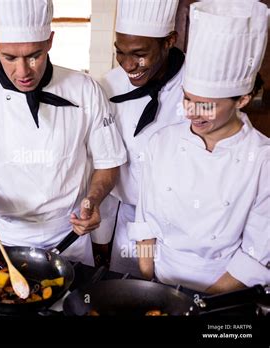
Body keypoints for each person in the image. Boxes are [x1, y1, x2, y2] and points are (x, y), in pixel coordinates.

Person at [0, 0, 127, 265]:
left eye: (34, 56)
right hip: (6, 241)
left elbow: (108, 163)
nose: (23, 72)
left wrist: (93, 200)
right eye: (10, 58)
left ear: (50, 41)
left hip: (70, 236)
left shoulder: (85, 90)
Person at [130, 0, 270, 293]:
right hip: (160, 283)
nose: (191, 112)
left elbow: (256, 255)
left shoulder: (262, 159)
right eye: (187, 98)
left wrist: (200, 305)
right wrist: (147, 281)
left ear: (241, 100)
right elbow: (145, 226)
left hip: (224, 294)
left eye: (205, 105)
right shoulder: (161, 141)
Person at [100, 0, 185, 276]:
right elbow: (104, 160)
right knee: (132, 298)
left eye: (139, 53)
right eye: (120, 52)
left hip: (183, 223)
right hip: (128, 222)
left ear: (169, 41)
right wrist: (101, 237)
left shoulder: (197, 90)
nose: (127, 64)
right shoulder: (108, 85)